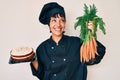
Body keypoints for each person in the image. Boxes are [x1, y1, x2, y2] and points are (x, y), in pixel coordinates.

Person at [30, 2, 106, 80]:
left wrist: (91, 34)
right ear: (49, 24)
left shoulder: (76, 43)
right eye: (54, 20)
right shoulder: (42, 49)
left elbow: (95, 56)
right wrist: (30, 58)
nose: (58, 24)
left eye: (62, 20)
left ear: (65, 23)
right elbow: (41, 74)